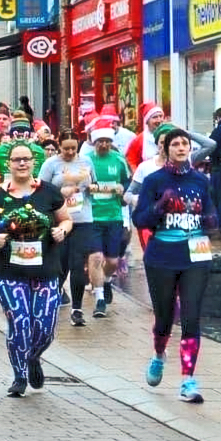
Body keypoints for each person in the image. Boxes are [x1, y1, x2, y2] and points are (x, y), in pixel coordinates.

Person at [0, 142, 72, 397]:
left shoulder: (49, 193)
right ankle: (19, 376)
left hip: (45, 270)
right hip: (9, 271)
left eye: (26, 159)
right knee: (20, 322)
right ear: (8, 164)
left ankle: (33, 357)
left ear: (34, 163)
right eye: (16, 159)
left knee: (44, 326)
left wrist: (62, 230)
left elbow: (66, 219)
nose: (22, 163)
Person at [133, 127, 219, 404]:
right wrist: (159, 206)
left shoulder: (200, 180)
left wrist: (210, 222)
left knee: (192, 316)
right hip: (162, 255)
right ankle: (159, 353)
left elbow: (212, 215)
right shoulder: (155, 180)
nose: (182, 148)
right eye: (176, 144)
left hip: (196, 254)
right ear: (166, 149)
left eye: (185, 144)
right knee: (165, 318)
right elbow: (140, 219)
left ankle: (187, 380)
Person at [38, 128, 105, 324]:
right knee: (60, 265)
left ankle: (77, 310)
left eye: (73, 149)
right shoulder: (51, 164)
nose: (69, 152)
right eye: (66, 148)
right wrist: (61, 192)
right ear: (59, 146)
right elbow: (41, 191)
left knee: (78, 265)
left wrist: (92, 188)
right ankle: (51, 301)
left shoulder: (86, 161)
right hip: (59, 221)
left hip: (83, 220)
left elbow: (94, 184)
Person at [86, 119, 132, 308]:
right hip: (93, 216)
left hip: (114, 216)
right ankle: (99, 299)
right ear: (94, 142)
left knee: (112, 261)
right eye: (100, 141)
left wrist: (123, 191)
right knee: (96, 257)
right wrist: (89, 188)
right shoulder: (86, 160)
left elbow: (128, 183)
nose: (103, 144)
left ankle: (105, 282)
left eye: (107, 141)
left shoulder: (119, 160)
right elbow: (80, 185)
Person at [125, 102, 165, 171]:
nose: (159, 120)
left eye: (160, 116)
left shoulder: (170, 135)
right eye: (155, 117)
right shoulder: (139, 139)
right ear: (147, 121)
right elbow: (131, 160)